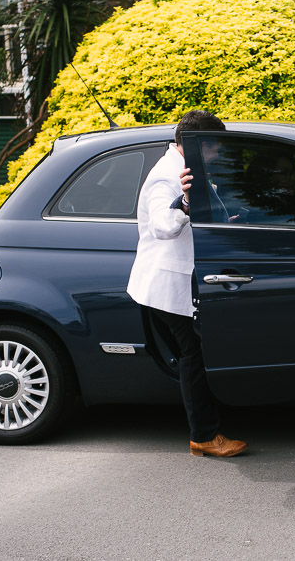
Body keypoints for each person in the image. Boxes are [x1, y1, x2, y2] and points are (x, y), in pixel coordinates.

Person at [126, 110, 247, 458]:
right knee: (193, 355)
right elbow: (161, 226)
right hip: (166, 284)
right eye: (215, 146)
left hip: (176, 282)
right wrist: (183, 203)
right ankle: (204, 436)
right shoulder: (167, 175)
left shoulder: (186, 168)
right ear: (197, 143)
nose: (219, 153)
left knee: (192, 355)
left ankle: (204, 431)